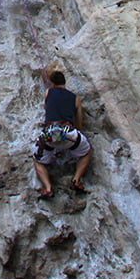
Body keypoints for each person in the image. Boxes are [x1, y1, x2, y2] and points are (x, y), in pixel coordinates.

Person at [32, 67, 92, 199]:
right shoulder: (75, 98)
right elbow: (79, 123)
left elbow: (47, 107)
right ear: (65, 83)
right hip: (68, 133)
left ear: (52, 83)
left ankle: (48, 188)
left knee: (38, 160)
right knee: (86, 151)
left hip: (50, 133)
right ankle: (76, 180)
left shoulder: (48, 92)